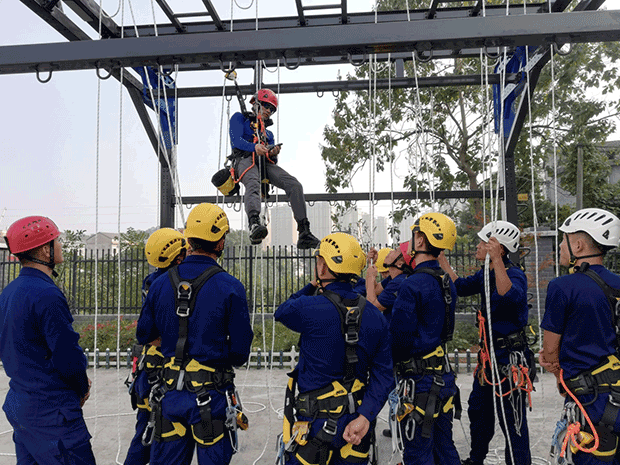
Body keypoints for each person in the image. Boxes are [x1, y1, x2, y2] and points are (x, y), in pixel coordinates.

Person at [136, 203, 254, 465]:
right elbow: (239, 353)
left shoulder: (159, 284)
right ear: (220, 242)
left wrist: (171, 342)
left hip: (169, 396)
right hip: (210, 398)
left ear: (188, 238)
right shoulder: (230, 287)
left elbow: (144, 334)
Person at [275, 232, 394, 465]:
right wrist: (366, 416)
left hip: (314, 424)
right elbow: (384, 375)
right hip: (355, 423)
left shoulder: (308, 308)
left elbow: (282, 311)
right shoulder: (374, 316)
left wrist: (312, 284)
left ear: (322, 267)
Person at [0, 216, 96, 464]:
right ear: (45, 250)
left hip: (22, 403)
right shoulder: (47, 294)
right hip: (52, 413)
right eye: (57, 241)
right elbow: (67, 354)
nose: (60, 246)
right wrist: (81, 387)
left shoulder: (9, 292)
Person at [438, 220, 533, 465]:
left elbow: (509, 296)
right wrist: (442, 261)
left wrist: (497, 261)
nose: (477, 247)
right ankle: (476, 458)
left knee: (512, 419)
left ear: (499, 248)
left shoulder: (513, 274)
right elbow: (460, 286)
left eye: (484, 243)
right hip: (488, 360)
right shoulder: (485, 273)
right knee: (479, 411)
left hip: (508, 358)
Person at [540, 208, 620, 465]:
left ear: (579, 244)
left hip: (591, 399)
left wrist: (555, 371)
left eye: (564, 239)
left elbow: (550, 350)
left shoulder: (562, 287)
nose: (561, 245)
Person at [390, 212, 461, 465]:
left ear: (420, 241)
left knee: (418, 452)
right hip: (442, 378)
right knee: (444, 446)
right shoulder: (445, 282)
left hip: (419, 382)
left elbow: (399, 339)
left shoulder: (412, 285)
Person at [124, 228, 188, 465]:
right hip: (160, 371)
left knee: (145, 430)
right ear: (178, 257)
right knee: (153, 435)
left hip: (148, 371)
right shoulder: (171, 285)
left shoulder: (152, 281)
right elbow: (150, 334)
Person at [228, 88, 320, 248]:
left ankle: (304, 231)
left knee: (294, 184)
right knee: (253, 181)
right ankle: (254, 223)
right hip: (243, 159)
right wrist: (254, 147)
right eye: (266, 106)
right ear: (256, 103)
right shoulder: (239, 119)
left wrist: (273, 152)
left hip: (263, 163)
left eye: (272, 109)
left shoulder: (267, 134)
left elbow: (272, 161)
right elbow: (236, 141)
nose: (269, 111)